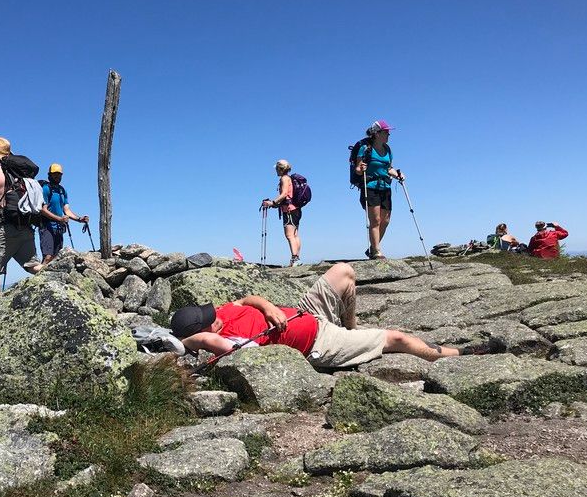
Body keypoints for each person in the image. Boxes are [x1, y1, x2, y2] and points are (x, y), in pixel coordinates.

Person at [170, 263, 463, 369]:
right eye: (209, 320)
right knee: (397, 339)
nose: (216, 316)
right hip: (319, 342)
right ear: (203, 332)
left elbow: (246, 299)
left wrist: (268, 306)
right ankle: (457, 354)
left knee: (344, 271)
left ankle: (352, 327)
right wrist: (196, 341)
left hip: (307, 312)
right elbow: (231, 349)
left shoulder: (221, 313)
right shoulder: (223, 341)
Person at [0, 136, 41, 297]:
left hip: (4, 228)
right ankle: (60, 282)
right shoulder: (20, 174)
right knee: (33, 266)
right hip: (25, 225)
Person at [355, 120, 404, 260]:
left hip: (385, 187)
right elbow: (358, 169)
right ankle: (376, 251)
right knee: (375, 220)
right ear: (377, 133)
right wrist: (361, 168)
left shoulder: (388, 149)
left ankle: (372, 248)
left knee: (385, 220)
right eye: (386, 132)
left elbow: (389, 168)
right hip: (370, 187)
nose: (388, 134)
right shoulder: (365, 148)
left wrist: (398, 175)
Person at [38, 163, 89, 265]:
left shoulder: (62, 190)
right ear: (50, 175)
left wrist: (80, 219)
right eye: (55, 174)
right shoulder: (46, 189)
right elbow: (43, 210)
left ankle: (49, 275)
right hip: (47, 226)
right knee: (48, 257)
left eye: (59, 174)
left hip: (59, 228)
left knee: (56, 257)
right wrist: (60, 219)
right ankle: (41, 274)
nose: (57, 176)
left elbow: (67, 210)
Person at [262, 159, 302, 267]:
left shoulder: (284, 178)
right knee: (295, 235)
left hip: (288, 210)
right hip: (295, 209)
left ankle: (295, 259)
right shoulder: (289, 178)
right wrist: (274, 204)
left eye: (276, 168)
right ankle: (297, 258)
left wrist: (272, 202)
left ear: (280, 169)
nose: (275, 170)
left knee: (289, 235)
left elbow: (284, 194)